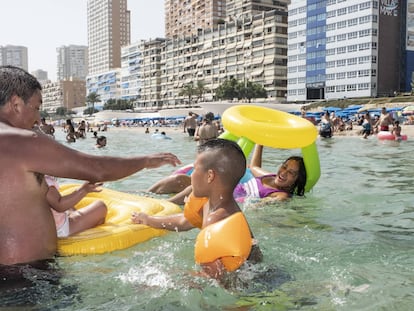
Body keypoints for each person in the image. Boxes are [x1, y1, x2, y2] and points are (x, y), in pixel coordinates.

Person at [0, 65, 181, 266]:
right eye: (36, 107)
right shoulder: (20, 141)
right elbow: (97, 169)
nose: (38, 117)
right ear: (16, 104)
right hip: (26, 274)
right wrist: (145, 161)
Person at [132, 139, 262, 281]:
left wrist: (167, 278)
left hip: (255, 283)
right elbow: (184, 221)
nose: (192, 175)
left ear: (210, 176)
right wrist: (148, 219)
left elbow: (217, 281)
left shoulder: (217, 221)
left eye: (195, 169)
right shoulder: (211, 203)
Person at [148, 144, 307, 205]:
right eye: (284, 167)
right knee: (179, 179)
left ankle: (165, 204)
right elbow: (254, 166)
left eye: (291, 173)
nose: (284, 173)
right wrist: (260, 141)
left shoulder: (281, 195)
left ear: (296, 180)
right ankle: (143, 196)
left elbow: (258, 206)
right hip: (225, 188)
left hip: (228, 199)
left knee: (201, 187)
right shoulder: (271, 176)